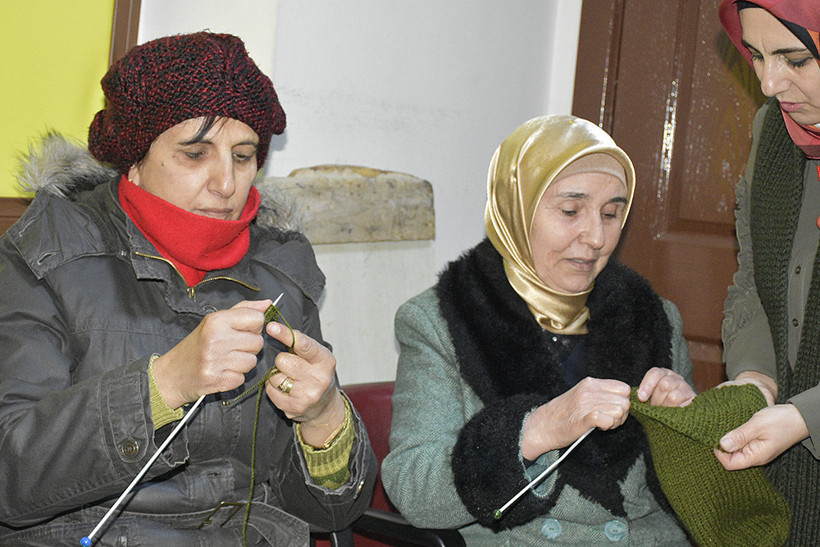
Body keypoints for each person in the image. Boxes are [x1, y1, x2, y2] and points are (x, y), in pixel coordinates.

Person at [0, 32, 377, 546]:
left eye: (243, 156)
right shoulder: (42, 256)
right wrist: (162, 386)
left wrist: (324, 421)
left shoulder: (282, 272)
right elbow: (10, 475)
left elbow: (326, 514)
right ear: (135, 157)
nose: (226, 183)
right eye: (196, 154)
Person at [381, 115, 697, 545]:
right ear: (516, 205)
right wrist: (539, 429)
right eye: (570, 210)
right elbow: (413, 491)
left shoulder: (653, 318)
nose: (597, 237)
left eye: (612, 213)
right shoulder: (443, 321)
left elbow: (695, 493)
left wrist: (689, 432)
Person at [716, 0, 820, 542]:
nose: (769, 84)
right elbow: (754, 282)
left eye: (796, 59)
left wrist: (807, 417)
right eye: (756, 56)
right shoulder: (773, 132)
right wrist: (756, 379)